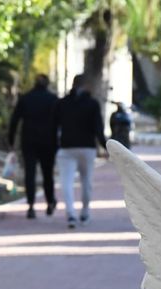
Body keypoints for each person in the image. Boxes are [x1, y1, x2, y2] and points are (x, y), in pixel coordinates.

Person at [53, 74, 107, 229]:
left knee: (66, 183)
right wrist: (105, 146)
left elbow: (53, 127)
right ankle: (84, 212)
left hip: (66, 148)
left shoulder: (62, 103)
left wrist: (55, 145)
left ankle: (71, 214)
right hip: (87, 148)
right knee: (86, 182)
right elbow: (98, 128)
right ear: (87, 85)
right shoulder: (92, 104)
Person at [8, 74, 59, 219]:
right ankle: (50, 202)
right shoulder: (52, 99)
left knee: (30, 174)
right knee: (47, 173)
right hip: (48, 142)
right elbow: (58, 122)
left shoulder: (25, 98)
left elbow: (14, 120)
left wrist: (11, 140)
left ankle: (31, 206)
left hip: (29, 141)